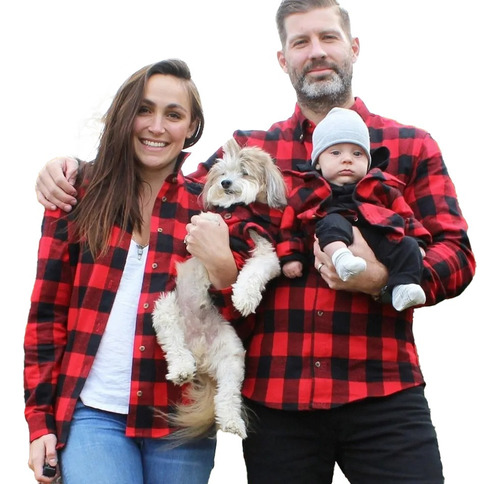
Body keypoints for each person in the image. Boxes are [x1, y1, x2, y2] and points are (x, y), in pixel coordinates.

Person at [35, 1, 476, 483]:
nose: (316, 52)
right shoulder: (251, 150)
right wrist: (76, 171)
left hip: (383, 391)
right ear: (283, 59)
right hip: (277, 401)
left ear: (353, 47)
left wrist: (381, 279)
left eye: (328, 38)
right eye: (300, 42)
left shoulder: (410, 145)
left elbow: (456, 252)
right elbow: (168, 192)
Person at [24, 59, 238, 484]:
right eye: (145, 109)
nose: (156, 126)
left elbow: (232, 322)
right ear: (126, 115)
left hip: (180, 417)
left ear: (191, 127)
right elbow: (46, 315)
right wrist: (39, 422)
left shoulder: (212, 207)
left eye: (173, 115)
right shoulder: (77, 192)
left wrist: (226, 271)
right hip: (91, 415)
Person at [279, 106, 429, 312]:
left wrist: (418, 242)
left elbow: (405, 216)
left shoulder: (381, 187)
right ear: (318, 163)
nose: (347, 159)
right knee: (331, 222)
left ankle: (404, 288)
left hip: (377, 239)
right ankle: (342, 258)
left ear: (368, 162)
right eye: (335, 152)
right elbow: (288, 226)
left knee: (408, 246)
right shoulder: (306, 191)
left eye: (357, 153)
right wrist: (290, 256)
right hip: (332, 236)